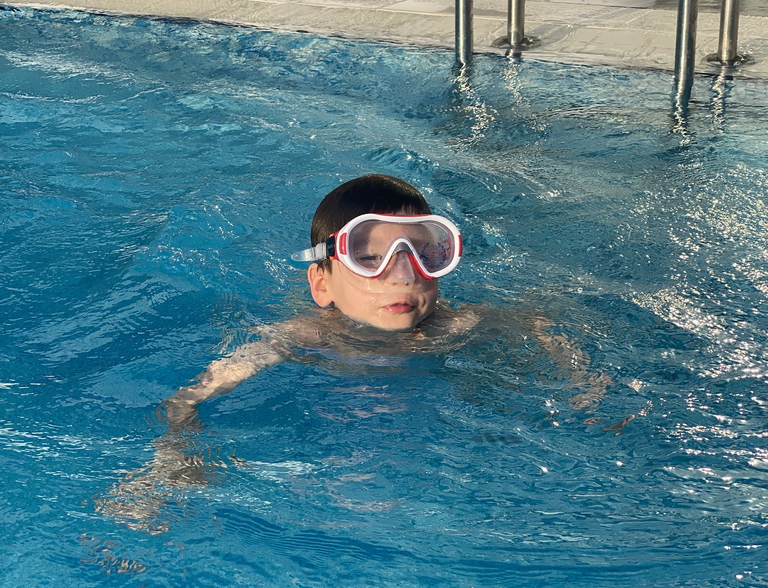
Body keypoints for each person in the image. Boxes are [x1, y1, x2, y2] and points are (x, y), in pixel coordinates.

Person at [96, 173, 610, 530]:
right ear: (322, 284)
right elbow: (186, 400)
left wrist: (581, 379)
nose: (404, 275)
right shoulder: (299, 337)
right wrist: (171, 463)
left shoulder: (458, 324)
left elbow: (538, 319)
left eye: (423, 254)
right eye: (371, 260)